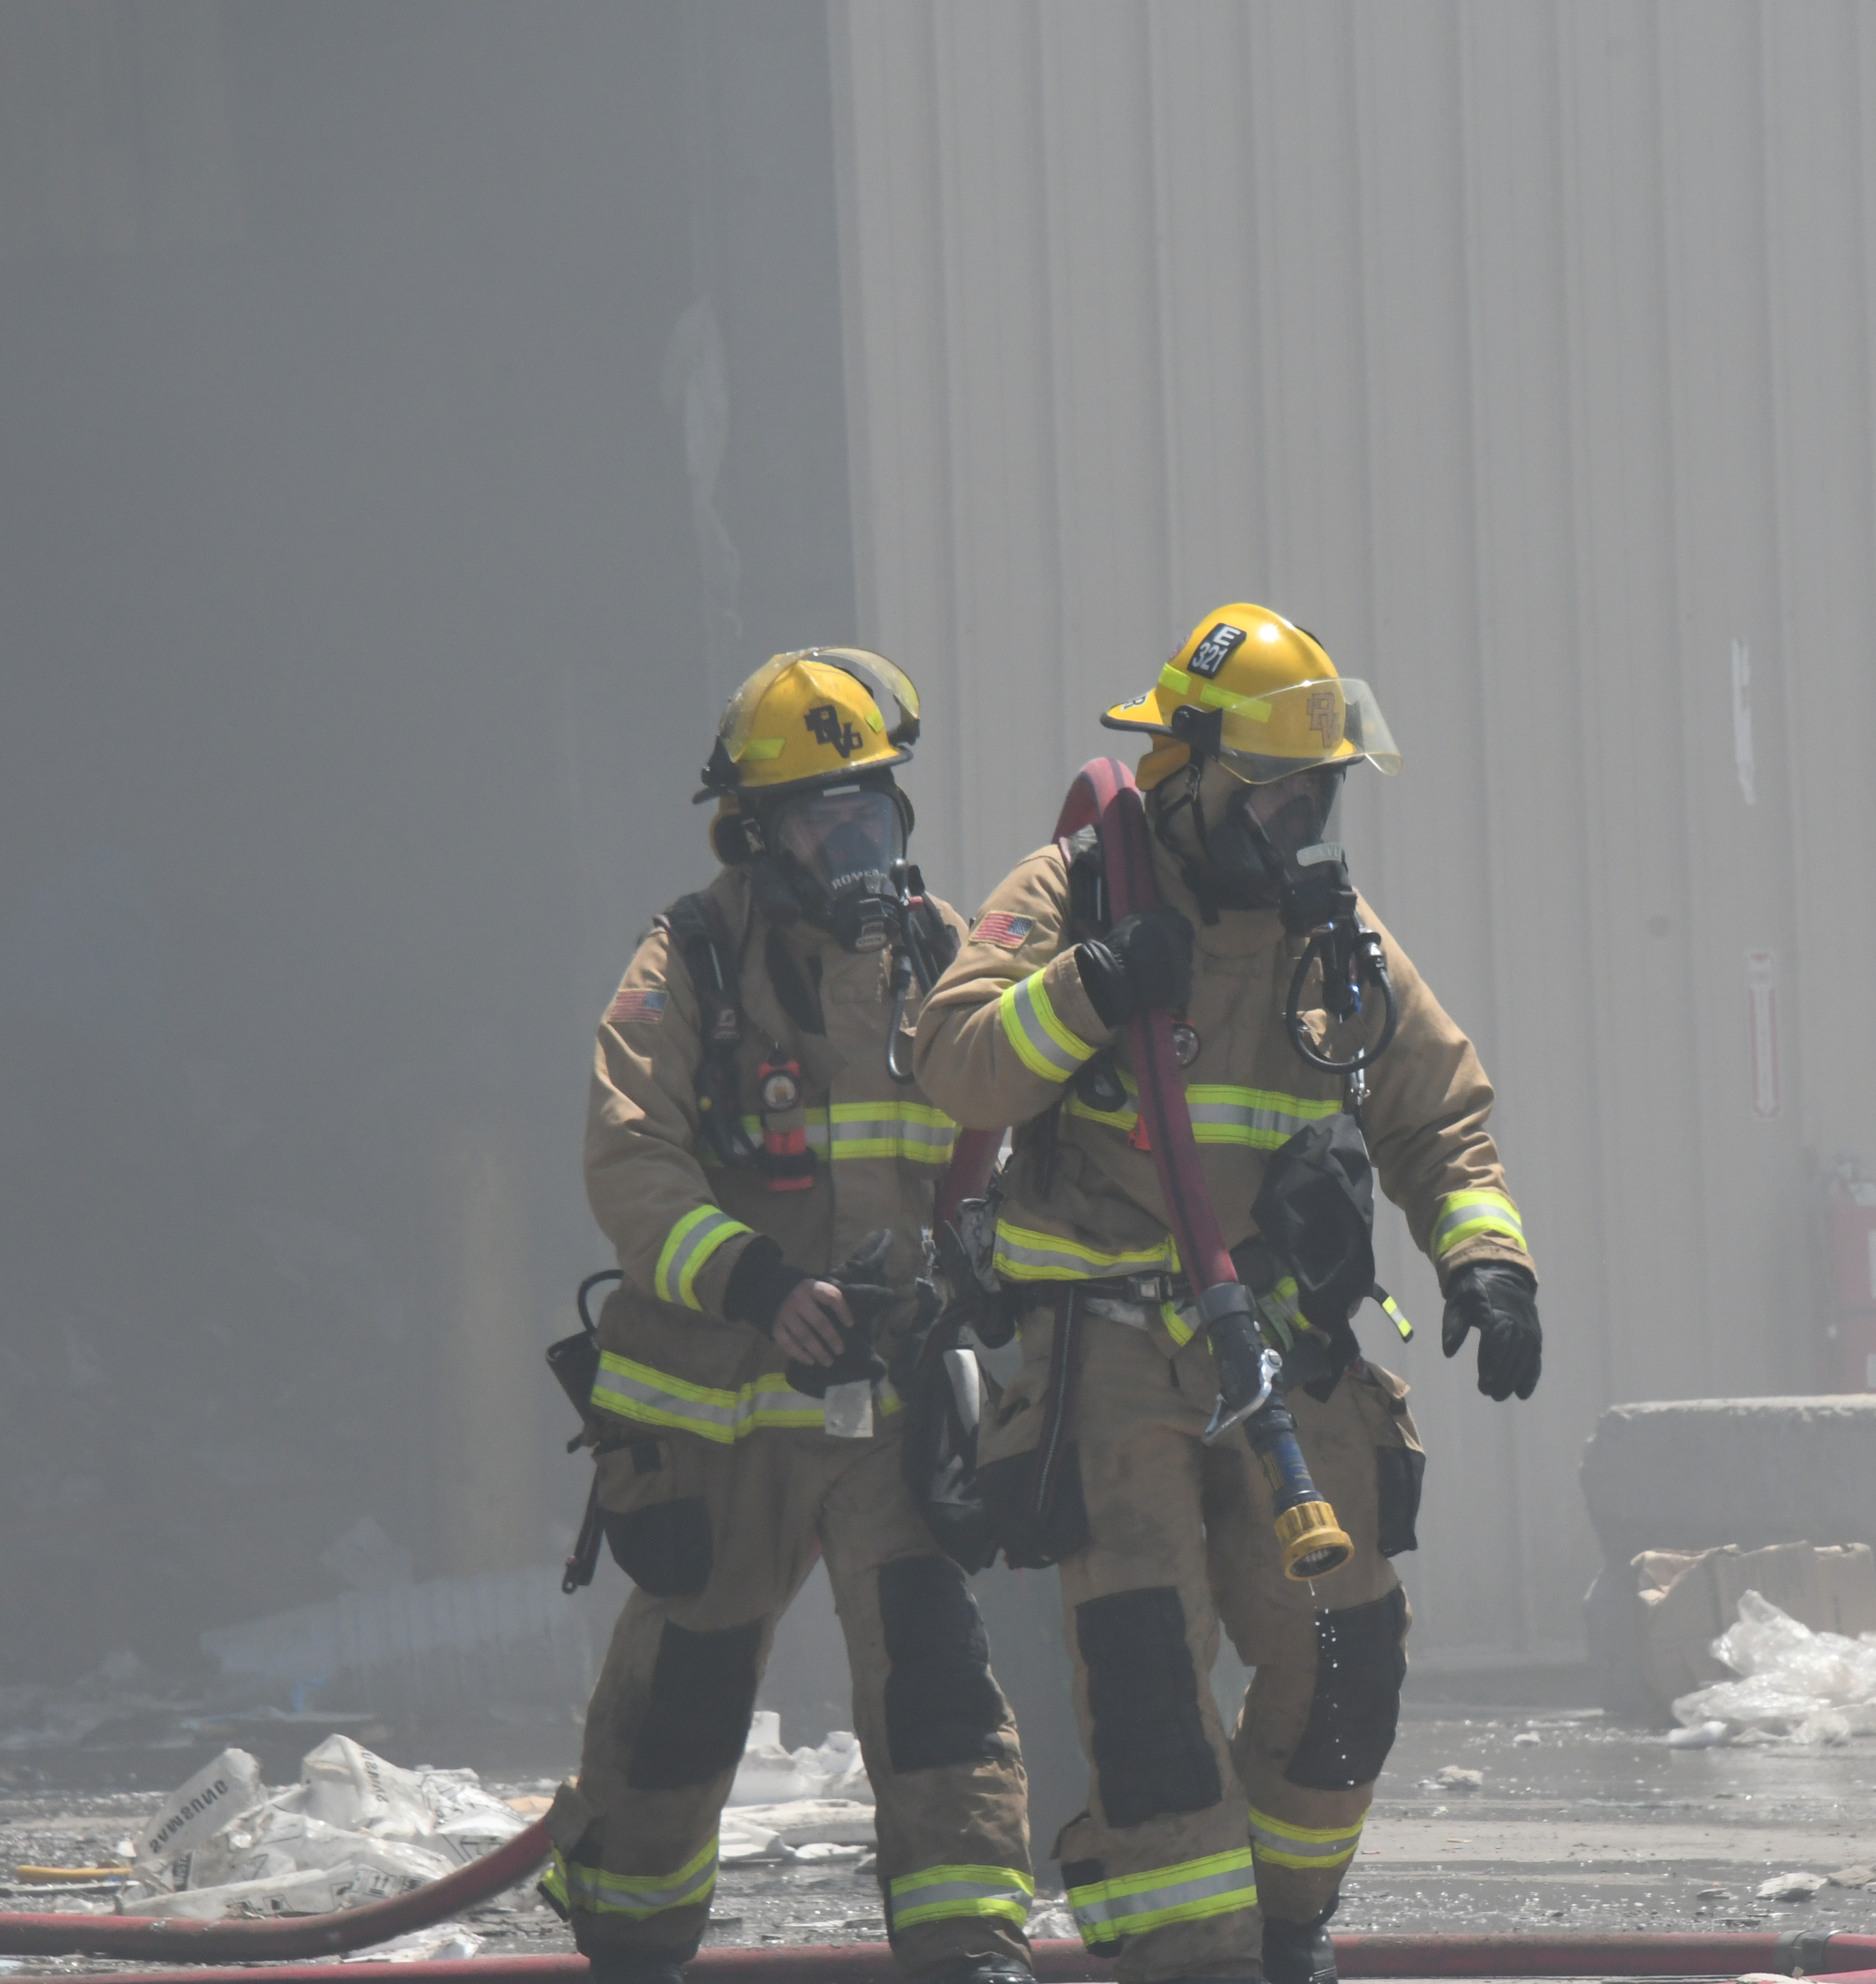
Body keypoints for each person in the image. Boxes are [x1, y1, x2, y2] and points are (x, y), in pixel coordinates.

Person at [911, 605, 1541, 1984]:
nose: (1301, 825)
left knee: (1350, 1655)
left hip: (1287, 1353)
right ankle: (1188, 1952)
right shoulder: (1079, 889)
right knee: (1148, 1677)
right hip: (1110, 1355)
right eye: (1275, 794)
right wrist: (1089, 988)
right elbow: (955, 1062)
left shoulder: (1332, 933)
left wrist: (1487, 1263)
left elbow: (1439, 1116)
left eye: (1318, 796)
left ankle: (1288, 1924)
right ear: (1184, 774)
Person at [547, 651, 1035, 1984]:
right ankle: (632, 1943)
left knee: (937, 1679)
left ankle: (970, 1949)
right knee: (685, 1698)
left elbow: (1009, 1124)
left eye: (872, 809)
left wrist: (986, 1265)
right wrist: (758, 1285)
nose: (856, 843)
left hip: (887, 1400)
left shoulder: (937, 952)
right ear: (756, 833)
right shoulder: (688, 961)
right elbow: (629, 1159)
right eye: (824, 817)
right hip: (720, 1414)